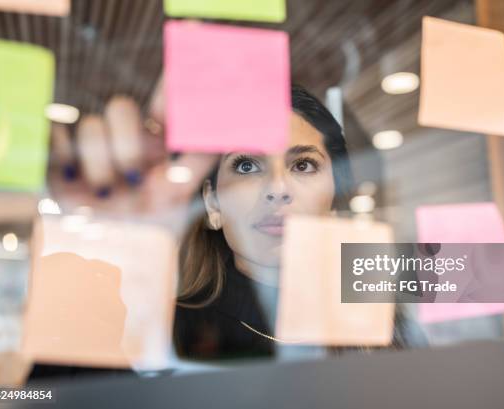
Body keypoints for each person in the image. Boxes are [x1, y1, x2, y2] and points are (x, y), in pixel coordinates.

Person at [173, 84, 409, 360]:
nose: (278, 188)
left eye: (303, 165)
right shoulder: (166, 332)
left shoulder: (385, 314)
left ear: (335, 193)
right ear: (212, 202)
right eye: (247, 166)